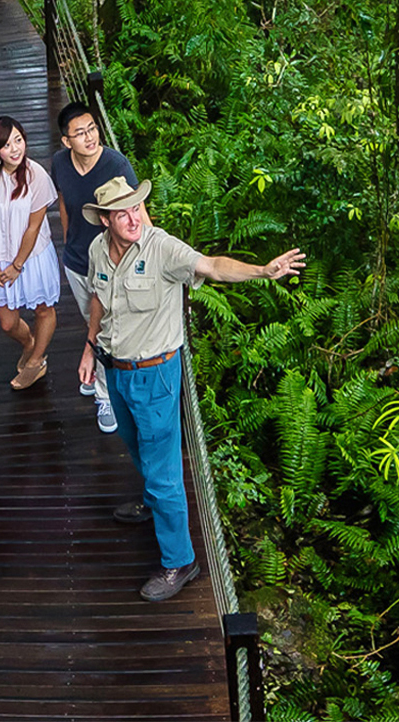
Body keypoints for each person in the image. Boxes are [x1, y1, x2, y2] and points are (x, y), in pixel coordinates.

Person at [76, 177, 306, 601]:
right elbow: (99, 300)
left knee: (163, 470)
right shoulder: (97, 250)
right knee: (133, 443)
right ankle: (151, 503)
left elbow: (212, 266)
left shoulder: (162, 248)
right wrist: (89, 348)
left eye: (136, 208)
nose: (133, 219)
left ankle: (179, 561)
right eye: (123, 213)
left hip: (156, 375)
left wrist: (262, 271)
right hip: (117, 370)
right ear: (105, 220)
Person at [48, 101, 140, 435]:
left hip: (113, 264)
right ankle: (99, 373)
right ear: (66, 140)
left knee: (105, 330)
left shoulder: (116, 165)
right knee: (95, 324)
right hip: (77, 262)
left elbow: (139, 214)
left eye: (92, 129)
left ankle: (104, 394)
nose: (89, 137)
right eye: (80, 133)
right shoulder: (60, 163)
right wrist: (67, 237)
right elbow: (64, 200)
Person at [0, 116, 59, 391]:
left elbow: (34, 227)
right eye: (7, 145)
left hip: (32, 257)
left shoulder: (36, 175)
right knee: (7, 323)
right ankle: (30, 343)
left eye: (18, 140)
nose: (15, 149)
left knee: (43, 309)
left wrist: (18, 265)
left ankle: (36, 361)